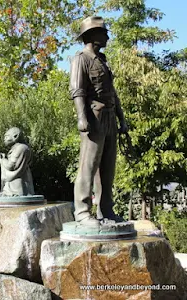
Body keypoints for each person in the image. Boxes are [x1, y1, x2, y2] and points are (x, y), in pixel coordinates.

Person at [69, 16, 128, 227]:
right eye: (103, 33)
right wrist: (81, 117)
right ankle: (83, 211)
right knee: (89, 165)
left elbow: (112, 93)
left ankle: (106, 210)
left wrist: (122, 118)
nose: (107, 36)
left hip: (110, 116)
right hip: (94, 117)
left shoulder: (102, 61)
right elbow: (77, 91)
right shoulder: (81, 59)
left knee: (108, 167)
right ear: (92, 35)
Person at [0, 127, 35, 196]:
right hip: (12, 182)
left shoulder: (21, 148)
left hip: (19, 185)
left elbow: (12, 166)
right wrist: (4, 158)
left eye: (6, 136)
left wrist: (2, 160)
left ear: (15, 136)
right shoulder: (15, 149)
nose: (4, 139)